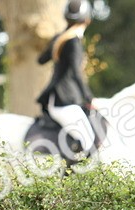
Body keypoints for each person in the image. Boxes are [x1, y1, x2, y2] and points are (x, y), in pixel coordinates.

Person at [37, 0, 96, 158]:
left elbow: (41, 60)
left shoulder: (60, 39)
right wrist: (89, 98)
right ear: (87, 20)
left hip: (55, 99)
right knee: (89, 140)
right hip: (65, 101)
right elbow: (76, 73)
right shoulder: (74, 42)